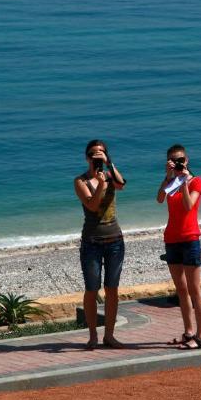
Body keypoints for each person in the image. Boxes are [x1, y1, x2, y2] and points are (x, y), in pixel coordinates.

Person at [74, 139, 126, 349]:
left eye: (101, 153)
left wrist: (110, 164)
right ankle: (93, 335)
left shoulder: (111, 174)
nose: (97, 156)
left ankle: (110, 335)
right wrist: (101, 183)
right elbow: (93, 206)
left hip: (115, 240)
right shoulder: (81, 181)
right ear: (87, 157)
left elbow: (121, 185)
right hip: (92, 242)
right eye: (94, 154)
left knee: (112, 289)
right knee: (92, 289)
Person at [156, 143, 201, 349]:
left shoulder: (196, 181)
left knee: (195, 289)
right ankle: (188, 332)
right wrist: (168, 177)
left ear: (187, 161)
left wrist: (184, 182)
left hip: (190, 238)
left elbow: (188, 206)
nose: (178, 163)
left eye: (181, 160)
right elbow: (159, 199)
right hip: (172, 239)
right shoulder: (171, 183)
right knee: (181, 289)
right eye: (173, 160)